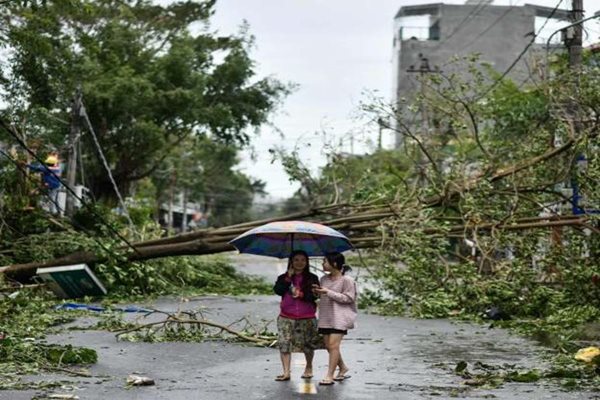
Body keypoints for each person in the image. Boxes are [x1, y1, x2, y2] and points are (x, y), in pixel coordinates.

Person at [273, 250, 321, 381]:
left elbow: (315, 295)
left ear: (307, 262)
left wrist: (302, 294)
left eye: (303, 260)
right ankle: (286, 372)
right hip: (286, 316)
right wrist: (288, 278)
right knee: (284, 343)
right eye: (296, 260)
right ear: (291, 262)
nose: (299, 263)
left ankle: (309, 367)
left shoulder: (312, 278)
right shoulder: (283, 277)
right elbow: (278, 290)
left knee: (308, 344)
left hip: (307, 316)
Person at [312, 252, 357, 386]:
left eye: (325, 261)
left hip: (340, 317)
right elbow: (323, 297)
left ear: (335, 264)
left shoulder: (347, 280)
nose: (322, 264)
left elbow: (349, 298)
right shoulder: (324, 279)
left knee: (333, 345)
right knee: (328, 346)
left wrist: (328, 292)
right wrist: (317, 292)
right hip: (326, 316)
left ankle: (329, 375)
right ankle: (343, 367)